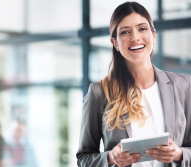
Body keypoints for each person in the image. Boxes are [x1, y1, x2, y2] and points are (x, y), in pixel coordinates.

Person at [76, 2, 191, 167]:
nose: (135, 37)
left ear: (154, 35)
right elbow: (83, 159)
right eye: (125, 32)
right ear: (115, 42)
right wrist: (110, 157)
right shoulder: (99, 93)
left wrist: (179, 154)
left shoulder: (184, 86)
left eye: (142, 29)